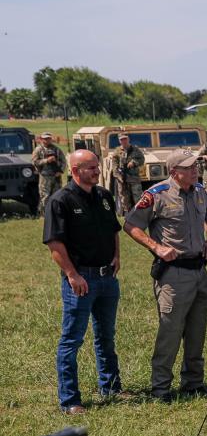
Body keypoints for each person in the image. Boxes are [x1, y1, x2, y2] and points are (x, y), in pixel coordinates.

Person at [123, 149, 207, 402]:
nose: (195, 170)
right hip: (173, 275)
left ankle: (193, 383)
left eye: (196, 165)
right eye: (189, 167)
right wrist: (156, 247)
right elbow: (131, 225)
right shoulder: (156, 195)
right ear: (174, 172)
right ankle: (161, 388)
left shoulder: (199, 192)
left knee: (197, 331)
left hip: (199, 270)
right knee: (170, 332)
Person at [43, 150, 125, 414]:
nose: (97, 171)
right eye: (90, 167)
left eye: (97, 166)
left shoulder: (103, 196)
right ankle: (70, 400)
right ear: (76, 170)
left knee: (106, 337)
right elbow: (55, 243)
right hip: (81, 280)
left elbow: (114, 229)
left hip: (107, 278)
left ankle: (111, 387)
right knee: (72, 340)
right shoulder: (60, 201)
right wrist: (72, 274)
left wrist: (116, 256)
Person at [32, 132, 67, 215]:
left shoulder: (57, 149)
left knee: (57, 194)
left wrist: (60, 171)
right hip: (45, 176)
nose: (47, 140)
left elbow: (64, 162)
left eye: (48, 138)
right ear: (41, 139)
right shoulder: (38, 150)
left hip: (56, 176)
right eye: (45, 138)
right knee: (45, 195)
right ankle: (45, 214)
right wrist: (46, 160)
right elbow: (34, 162)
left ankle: (56, 212)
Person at [110, 134, 145, 214]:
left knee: (138, 195)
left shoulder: (135, 150)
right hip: (122, 178)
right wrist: (118, 176)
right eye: (122, 139)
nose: (124, 141)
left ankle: (140, 213)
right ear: (119, 141)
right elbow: (114, 166)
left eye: (125, 139)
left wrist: (134, 162)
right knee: (124, 198)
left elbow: (142, 160)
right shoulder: (117, 152)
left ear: (128, 139)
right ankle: (128, 214)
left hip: (133, 177)